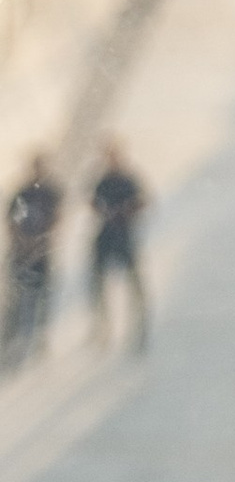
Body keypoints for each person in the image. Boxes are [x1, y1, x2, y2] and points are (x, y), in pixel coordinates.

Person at [2, 151, 62, 368]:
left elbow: (57, 218)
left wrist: (39, 241)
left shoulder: (50, 193)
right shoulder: (23, 193)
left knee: (41, 296)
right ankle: (11, 339)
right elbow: (12, 221)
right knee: (17, 296)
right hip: (21, 254)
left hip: (41, 254)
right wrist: (22, 241)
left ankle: (38, 338)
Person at [88, 139, 148, 349]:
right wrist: (106, 213)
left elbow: (142, 201)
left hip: (123, 234)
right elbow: (93, 202)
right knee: (97, 280)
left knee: (133, 281)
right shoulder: (104, 180)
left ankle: (140, 322)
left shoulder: (126, 179)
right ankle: (102, 324)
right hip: (107, 234)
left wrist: (123, 212)